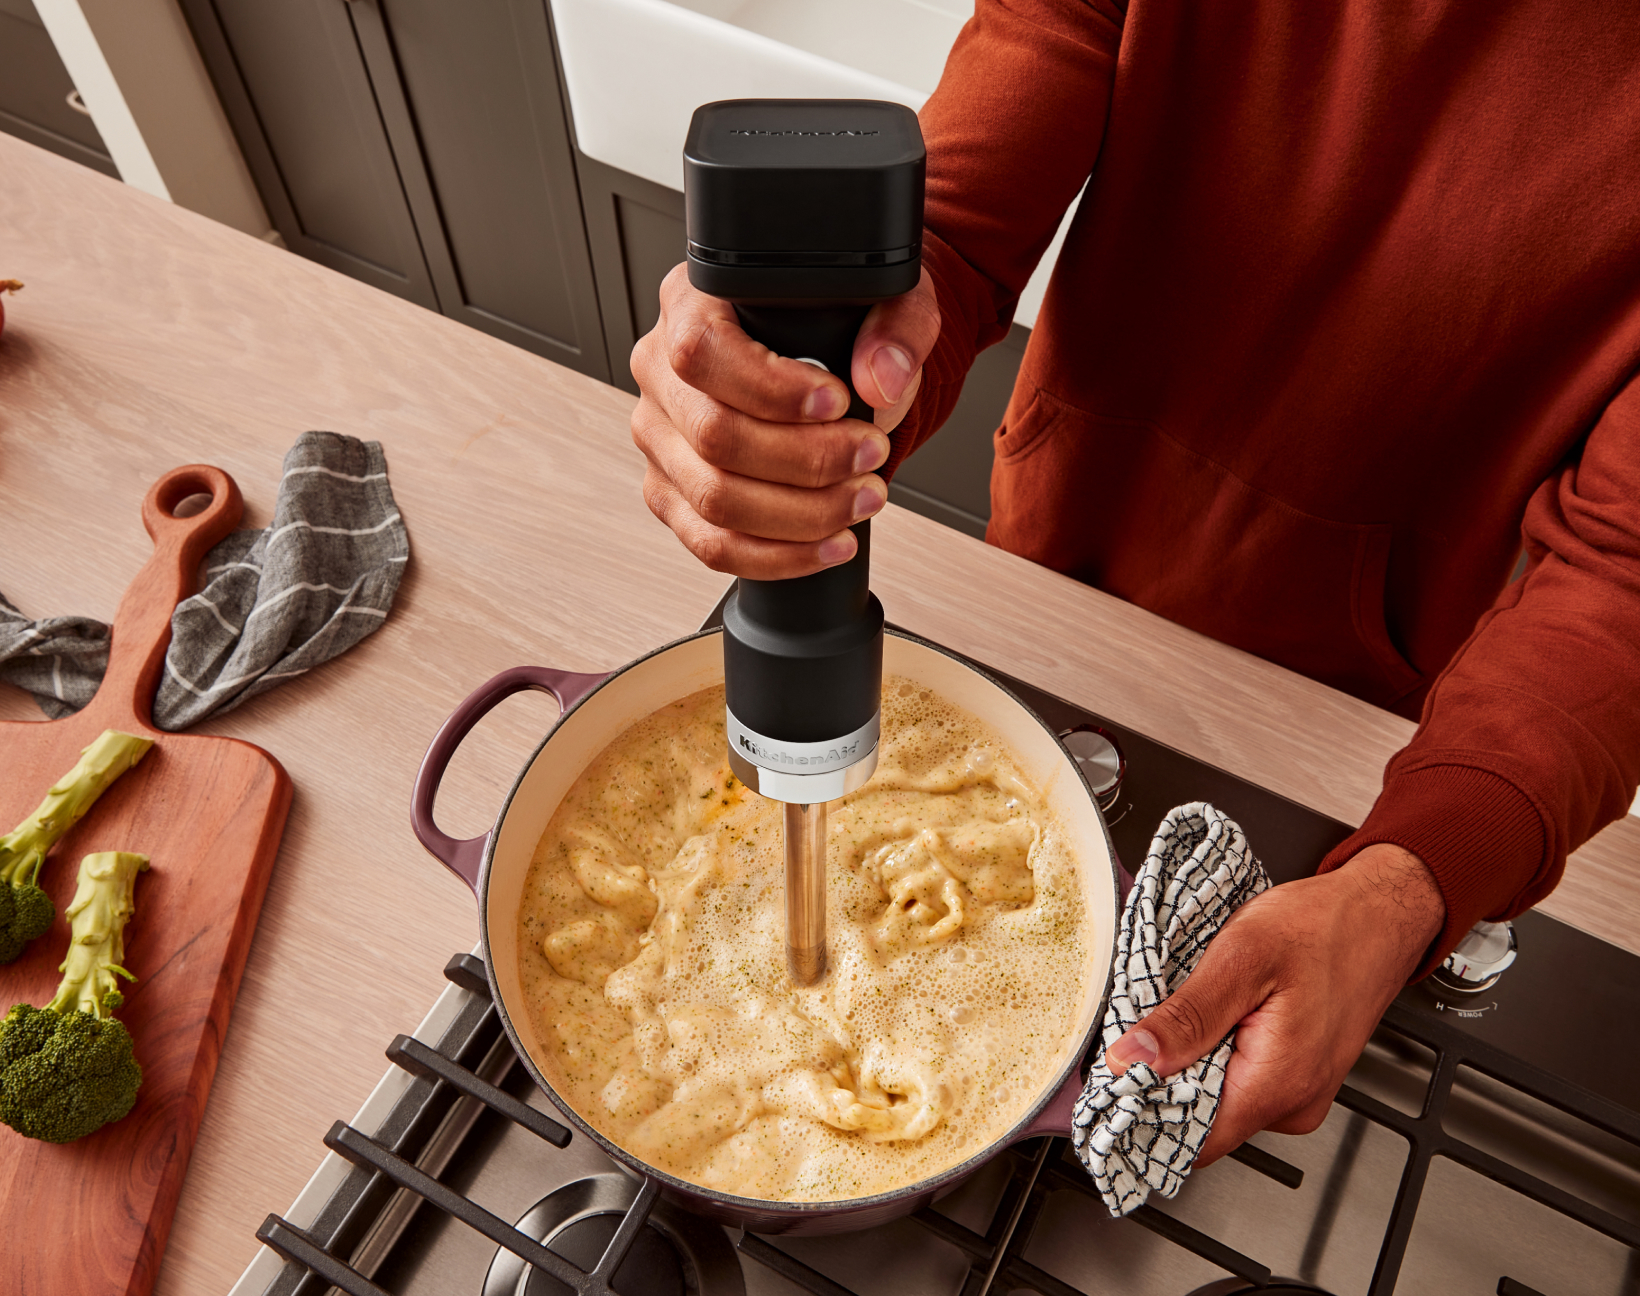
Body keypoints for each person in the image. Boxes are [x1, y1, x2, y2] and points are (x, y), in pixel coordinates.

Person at [628, 0, 1640, 1167]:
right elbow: (951, 227)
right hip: (1059, 585)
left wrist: (1408, 884)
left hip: (1356, 721)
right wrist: (808, 377)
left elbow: (1620, 581)